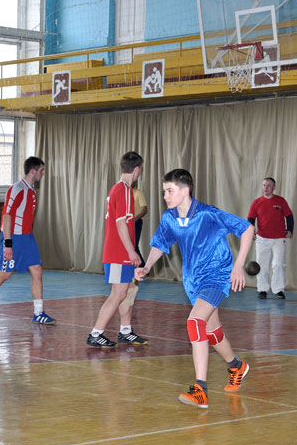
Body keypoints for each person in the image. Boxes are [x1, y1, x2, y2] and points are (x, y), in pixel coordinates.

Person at [136, 169, 254, 409]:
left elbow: (247, 228)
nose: (165, 196)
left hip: (216, 275)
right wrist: (147, 266)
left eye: (169, 191)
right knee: (212, 332)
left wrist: (238, 266)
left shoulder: (208, 214)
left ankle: (201, 389)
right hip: (193, 281)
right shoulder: (169, 218)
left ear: (185, 190)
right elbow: (160, 243)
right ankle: (236, 366)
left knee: (195, 322)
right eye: (164, 191)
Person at [0, 157, 56, 325]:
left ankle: (38, 313)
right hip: (13, 237)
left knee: (37, 270)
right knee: (5, 274)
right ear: (33, 171)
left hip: (27, 237)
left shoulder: (31, 190)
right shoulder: (17, 189)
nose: (43, 174)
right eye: (41, 171)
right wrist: (8, 243)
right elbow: (7, 215)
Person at [86, 152, 149, 348]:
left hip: (121, 251)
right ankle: (96, 333)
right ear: (136, 169)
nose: (140, 173)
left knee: (127, 290)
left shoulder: (123, 190)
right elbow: (121, 223)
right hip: (118, 252)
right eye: (140, 170)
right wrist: (131, 251)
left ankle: (125, 331)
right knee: (118, 293)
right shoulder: (122, 190)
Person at [247, 177, 294, 299]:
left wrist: (290, 230)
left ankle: (278, 289)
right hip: (262, 239)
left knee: (278, 264)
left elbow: (289, 216)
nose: (266, 188)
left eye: (268, 185)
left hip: (279, 239)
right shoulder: (256, 202)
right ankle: (262, 289)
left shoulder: (281, 201)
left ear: (274, 187)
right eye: (264, 185)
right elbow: (250, 219)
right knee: (262, 264)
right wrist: (251, 232)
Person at [132, 180, 148, 267]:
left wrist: (135, 218)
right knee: (127, 247)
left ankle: (143, 269)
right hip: (125, 224)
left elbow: (144, 209)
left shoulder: (138, 193)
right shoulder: (124, 194)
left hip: (135, 222)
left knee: (133, 246)